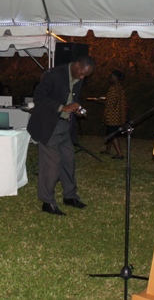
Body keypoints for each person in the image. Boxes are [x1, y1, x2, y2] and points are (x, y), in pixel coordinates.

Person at [27, 55, 95, 216]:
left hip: (64, 126)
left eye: (86, 76)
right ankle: (47, 201)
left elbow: (72, 98)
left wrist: (76, 109)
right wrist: (62, 107)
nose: (82, 77)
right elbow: (39, 97)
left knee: (68, 160)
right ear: (77, 64)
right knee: (52, 165)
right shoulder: (54, 74)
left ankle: (70, 196)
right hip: (48, 125)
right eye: (82, 73)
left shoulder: (78, 77)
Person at [101, 70, 127, 160]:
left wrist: (101, 102)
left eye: (111, 77)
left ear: (115, 78)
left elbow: (110, 103)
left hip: (113, 116)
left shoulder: (113, 88)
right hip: (119, 116)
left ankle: (119, 154)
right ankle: (107, 150)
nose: (109, 79)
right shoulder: (120, 88)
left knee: (112, 134)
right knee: (111, 132)